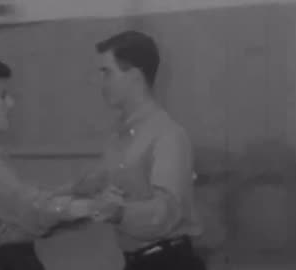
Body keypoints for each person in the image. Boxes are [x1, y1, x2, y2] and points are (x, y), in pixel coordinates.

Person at [0, 48, 120, 270]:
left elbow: (25, 209)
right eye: (2, 95)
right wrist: (92, 206)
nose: (11, 104)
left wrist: (76, 191)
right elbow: (32, 209)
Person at [55, 30, 206, 270]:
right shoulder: (118, 137)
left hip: (169, 263)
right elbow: (92, 184)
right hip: (138, 262)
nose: (100, 83)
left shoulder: (168, 135)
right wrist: (42, 201)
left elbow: (165, 213)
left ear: (134, 77)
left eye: (107, 73)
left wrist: (117, 212)